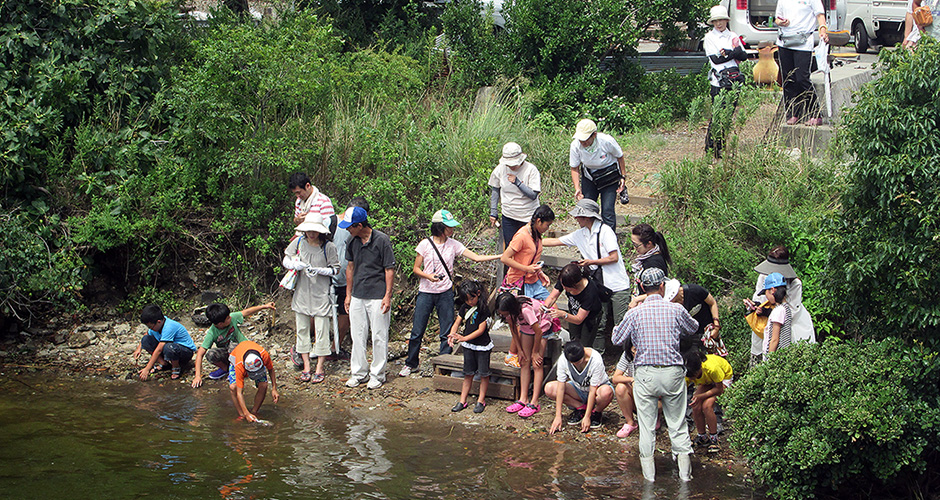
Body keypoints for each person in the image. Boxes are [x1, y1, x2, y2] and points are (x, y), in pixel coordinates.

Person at [612, 267, 698, 482]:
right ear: (662, 286)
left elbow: (616, 338)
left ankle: (649, 481)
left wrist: (627, 311)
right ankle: (685, 478)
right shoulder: (675, 310)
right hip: (672, 372)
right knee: (677, 425)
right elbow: (693, 327)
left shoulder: (634, 313)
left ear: (642, 287)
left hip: (645, 373)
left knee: (647, 428)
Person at [402, 210, 500, 377]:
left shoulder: (454, 244)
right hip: (425, 292)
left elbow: (475, 257)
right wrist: (428, 276)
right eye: (449, 227)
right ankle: (411, 363)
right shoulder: (424, 245)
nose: (452, 230)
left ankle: (444, 363)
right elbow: (416, 269)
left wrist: (500, 256)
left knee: (447, 330)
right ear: (440, 227)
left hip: (445, 292)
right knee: (417, 330)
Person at [543, 199, 632, 354]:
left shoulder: (605, 231)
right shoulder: (581, 234)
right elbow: (557, 241)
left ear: (587, 217)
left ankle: (627, 357)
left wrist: (591, 262)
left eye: (579, 216)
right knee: (599, 323)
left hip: (617, 284)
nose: (576, 219)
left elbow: (613, 257)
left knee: (621, 324)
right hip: (600, 285)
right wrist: (533, 240)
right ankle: (598, 357)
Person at [340, 205, 396, 390]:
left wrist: (387, 296)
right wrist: (348, 294)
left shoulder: (381, 240)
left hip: (377, 294)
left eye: (350, 226)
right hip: (358, 294)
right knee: (357, 335)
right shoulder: (352, 241)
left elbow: (389, 269)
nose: (348, 229)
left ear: (359, 225)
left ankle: (378, 374)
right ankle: (358, 373)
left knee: (379, 336)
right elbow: (350, 268)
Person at [284, 213, 340, 383]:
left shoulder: (328, 247)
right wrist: (294, 264)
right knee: (302, 330)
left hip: (321, 294)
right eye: (309, 230)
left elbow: (336, 269)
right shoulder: (299, 242)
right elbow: (286, 258)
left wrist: (320, 270)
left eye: (314, 231)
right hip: (302, 293)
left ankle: (320, 367)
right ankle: (307, 366)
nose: (311, 234)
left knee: (322, 330)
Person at [743, 245, 815, 363]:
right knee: (761, 355)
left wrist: (767, 312)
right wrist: (755, 306)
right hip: (765, 324)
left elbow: (791, 311)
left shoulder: (795, 283)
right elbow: (759, 297)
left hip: (790, 326)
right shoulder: (764, 275)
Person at [496, 292, 558, 419]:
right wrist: (519, 350)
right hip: (526, 328)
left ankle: (534, 402)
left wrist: (535, 352)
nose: (503, 316)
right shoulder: (508, 312)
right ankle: (523, 398)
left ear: (512, 309)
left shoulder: (525, 311)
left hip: (541, 325)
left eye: (505, 313)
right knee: (524, 361)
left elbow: (538, 332)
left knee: (537, 364)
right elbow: (513, 329)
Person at [191, 301, 276, 388]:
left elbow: (246, 312)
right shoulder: (212, 333)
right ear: (220, 324)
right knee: (211, 354)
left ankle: (239, 370)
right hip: (229, 354)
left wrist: (264, 306)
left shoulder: (232, 317)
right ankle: (227, 369)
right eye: (228, 318)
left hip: (244, 351)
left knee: (233, 346)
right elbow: (200, 353)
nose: (230, 318)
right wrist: (197, 376)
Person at [703, 5, 748, 158]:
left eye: (721, 20)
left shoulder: (733, 35)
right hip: (718, 82)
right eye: (715, 21)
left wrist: (729, 53)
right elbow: (715, 59)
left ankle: (720, 147)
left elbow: (744, 55)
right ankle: (710, 148)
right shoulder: (709, 37)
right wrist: (732, 53)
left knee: (728, 115)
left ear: (726, 20)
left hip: (734, 81)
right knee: (717, 115)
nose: (719, 24)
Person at [632, 279, 722, 353]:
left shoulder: (695, 291)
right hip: (690, 336)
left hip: (708, 329)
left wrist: (716, 326)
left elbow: (712, 303)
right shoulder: (672, 306)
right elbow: (653, 295)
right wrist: (637, 299)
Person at [775, 0, 829, 126]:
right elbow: (777, 18)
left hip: (803, 43)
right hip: (785, 41)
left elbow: (820, 15)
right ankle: (792, 113)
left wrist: (822, 30)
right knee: (788, 79)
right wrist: (781, 22)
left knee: (802, 78)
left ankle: (815, 113)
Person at [569, 119, 628, 231]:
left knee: (607, 210)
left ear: (594, 135)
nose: (583, 142)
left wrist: (623, 176)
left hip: (609, 177)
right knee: (586, 208)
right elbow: (574, 167)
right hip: (589, 177)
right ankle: (589, 236)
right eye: (580, 139)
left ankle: (609, 239)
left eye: (585, 139)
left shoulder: (606, 141)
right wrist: (577, 187)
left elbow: (620, 156)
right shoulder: (575, 145)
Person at [331, 196, 369, 360]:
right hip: (328, 277)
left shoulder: (361, 232)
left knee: (344, 313)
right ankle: (316, 347)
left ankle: (335, 348)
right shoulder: (332, 223)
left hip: (349, 279)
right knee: (318, 313)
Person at [547, 340, 614, 434]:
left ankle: (596, 412)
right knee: (549, 388)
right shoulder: (563, 359)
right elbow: (561, 387)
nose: (575, 364)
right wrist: (558, 415)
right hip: (578, 389)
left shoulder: (595, 359)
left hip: (597, 390)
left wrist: (587, 416)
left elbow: (592, 390)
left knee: (606, 392)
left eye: (578, 362)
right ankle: (581, 407)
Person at [447, 280, 493, 414]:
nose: (470, 302)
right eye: (467, 300)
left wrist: (463, 338)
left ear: (478, 294)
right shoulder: (464, 308)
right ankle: (462, 400)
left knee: (484, 374)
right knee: (468, 373)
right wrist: (452, 334)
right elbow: (457, 322)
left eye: (472, 298)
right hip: (469, 346)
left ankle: (481, 400)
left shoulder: (484, 309)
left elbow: (481, 330)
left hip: (482, 345)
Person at [489, 142, 541, 249]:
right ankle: (511, 266)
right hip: (508, 215)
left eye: (513, 164)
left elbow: (533, 195)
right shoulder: (500, 169)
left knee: (528, 247)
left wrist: (518, 183)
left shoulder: (531, 170)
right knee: (511, 247)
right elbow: (495, 190)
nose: (511, 167)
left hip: (527, 216)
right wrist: (493, 212)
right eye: (509, 164)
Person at [544, 263, 604, 352]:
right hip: (573, 312)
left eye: (566, 287)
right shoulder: (565, 279)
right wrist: (545, 306)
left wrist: (563, 314)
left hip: (590, 318)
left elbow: (579, 319)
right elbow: (553, 296)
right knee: (573, 338)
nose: (563, 288)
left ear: (574, 285)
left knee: (584, 345)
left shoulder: (590, 292)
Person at [500, 204, 554, 300]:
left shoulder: (536, 233)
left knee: (552, 307)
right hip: (520, 282)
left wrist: (539, 272)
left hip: (533, 280)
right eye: (547, 225)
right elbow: (504, 258)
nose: (547, 228)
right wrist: (526, 268)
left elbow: (530, 259)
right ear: (539, 221)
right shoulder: (522, 236)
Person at [684, 350, 733, 453]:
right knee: (695, 405)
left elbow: (719, 389)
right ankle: (702, 436)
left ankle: (714, 438)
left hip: (723, 378)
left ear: (698, 370)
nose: (691, 379)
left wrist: (701, 396)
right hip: (708, 380)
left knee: (707, 406)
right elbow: (683, 390)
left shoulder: (711, 368)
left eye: (693, 377)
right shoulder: (688, 374)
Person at [134, 304, 198, 381]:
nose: (151, 329)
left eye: (151, 327)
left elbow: (159, 350)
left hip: (184, 352)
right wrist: (139, 349)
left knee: (169, 347)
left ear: (158, 322)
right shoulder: (156, 326)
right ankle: (163, 363)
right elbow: (146, 334)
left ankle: (176, 368)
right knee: (145, 339)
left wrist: (147, 368)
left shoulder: (169, 327)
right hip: (169, 350)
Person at [228, 340, 279, 422]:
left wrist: (274, 388)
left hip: (254, 362)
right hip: (236, 359)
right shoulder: (239, 366)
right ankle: (242, 415)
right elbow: (239, 393)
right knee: (233, 387)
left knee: (263, 385)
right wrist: (246, 413)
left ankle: (254, 412)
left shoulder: (264, 355)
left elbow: (271, 369)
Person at [630, 223, 672, 293]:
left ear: (649, 244)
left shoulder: (654, 263)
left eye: (636, 245)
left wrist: (637, 299)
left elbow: (657, 291)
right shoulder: (647, 258)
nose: (634, 248)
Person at [759, 272, 792, 355]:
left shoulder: (778, 310)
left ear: (772, 290)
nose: (766, 297)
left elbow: (774, 339)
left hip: (776, 358)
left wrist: (770, 360)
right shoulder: (786, 307)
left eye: (766, 292)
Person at [612, 349, 639, 438]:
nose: (635, 353)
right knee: (620, 387)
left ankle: (656, 417)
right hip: (636, 394)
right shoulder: (627, 355)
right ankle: (630, 422)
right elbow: (615, 378)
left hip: (653, 395)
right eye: (633, 351)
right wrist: (632, 379)